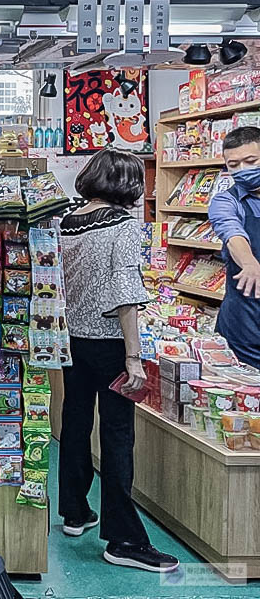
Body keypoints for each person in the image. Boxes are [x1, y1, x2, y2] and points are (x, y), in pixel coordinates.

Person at [57, 148, 178, 573]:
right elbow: (126, 293)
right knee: (117, 436)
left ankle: (75, 511)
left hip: (71, 340)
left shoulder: (66, 223)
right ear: (128, 185)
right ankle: (123, 539)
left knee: (74, 421)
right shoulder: (124, 226)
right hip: (110, 342)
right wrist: (133, 356)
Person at [208, 125, 260, 370]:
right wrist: (249, 263)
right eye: (233, 165)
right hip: (244, 325)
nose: (242, 170)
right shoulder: (225, 201)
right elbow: (232, 232)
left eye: (251, 161)